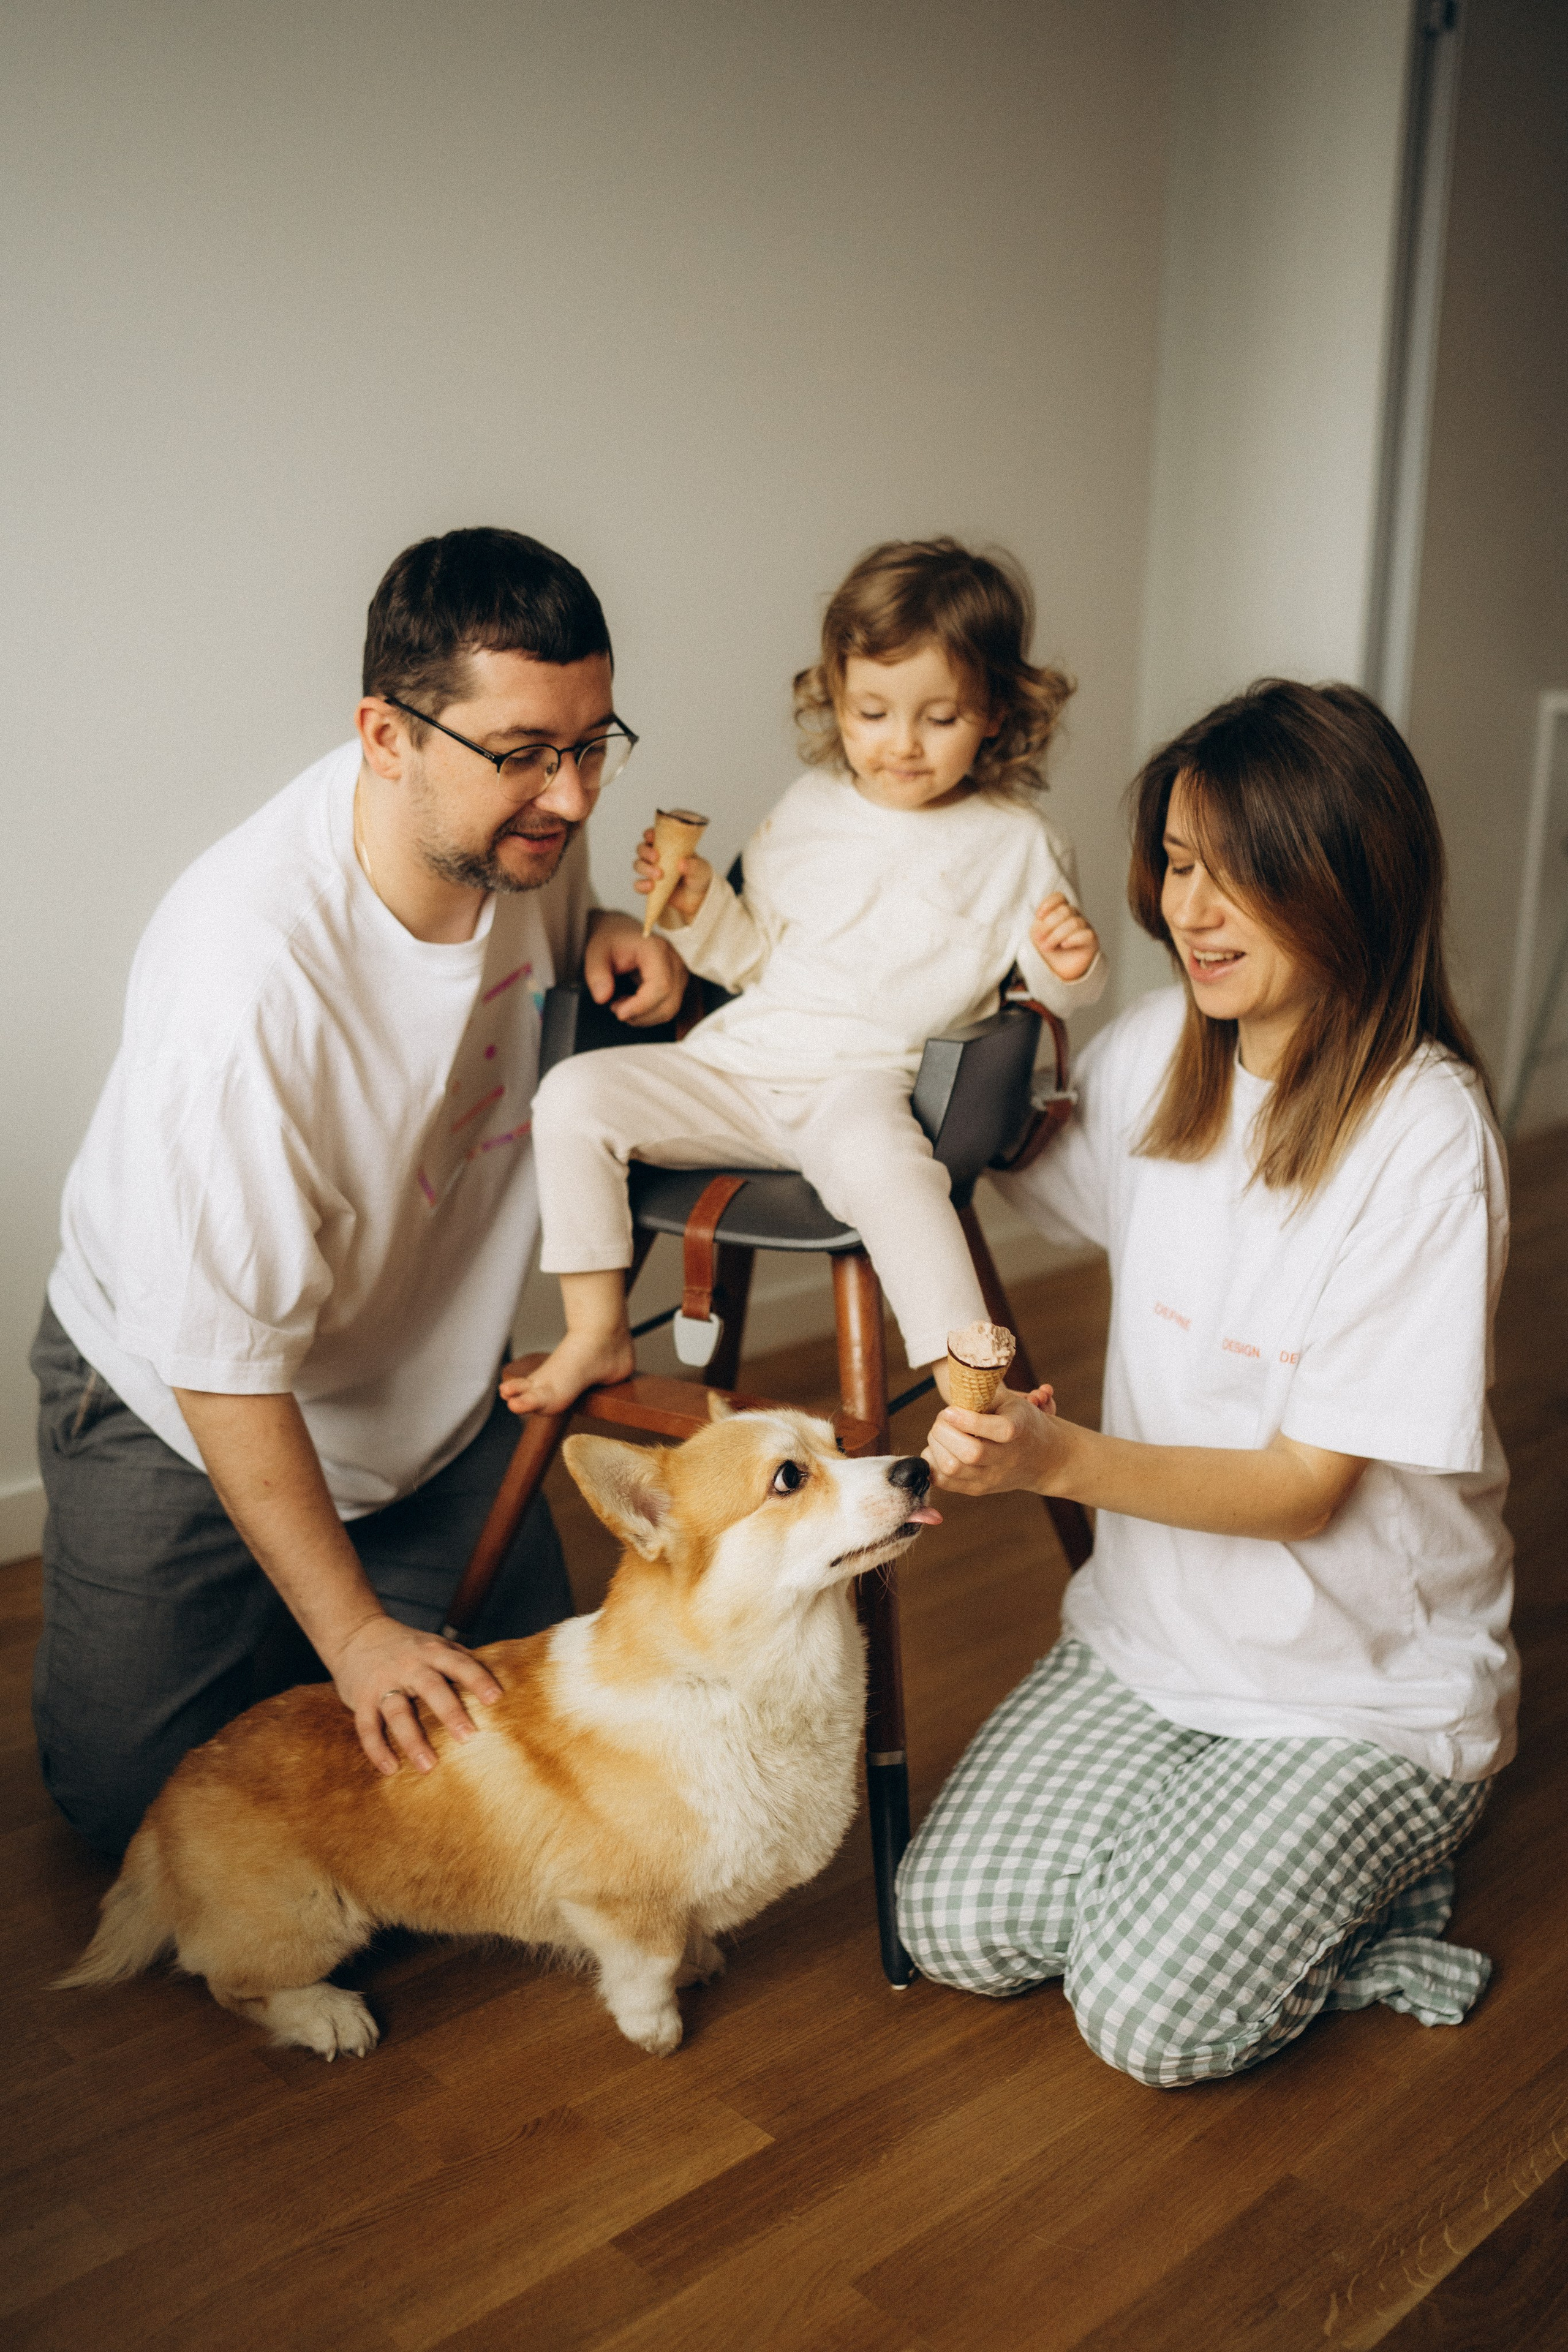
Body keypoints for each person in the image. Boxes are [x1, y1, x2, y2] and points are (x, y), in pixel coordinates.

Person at [896, 679, 1517, 2087]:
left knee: (1153, 2021)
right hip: (1153, 1639)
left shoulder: (1423, 1137)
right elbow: (1018, 1157)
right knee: (955, 1927)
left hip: (1360, 1687)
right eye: (1177, 865)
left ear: (1348, 880)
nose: (1191, 909)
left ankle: (1388, 1871)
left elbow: (1304, 1493)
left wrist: (1052, 1464)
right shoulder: (1158, 1056)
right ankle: (1208, 1846)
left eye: (1241, 874)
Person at [33, 527, 687, 1856]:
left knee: (532, 1745)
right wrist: (353, 1634)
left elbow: (552, 932)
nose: (567, 798)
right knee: (138, 1824)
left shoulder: (513, 850)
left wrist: (618, 934)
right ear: (385, 739)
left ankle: (305, 1603)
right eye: (521, 755)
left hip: (423, 1395)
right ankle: (291, 1598)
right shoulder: (243, 984)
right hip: (188, 1403)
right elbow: (224, 1368)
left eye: (590, 745)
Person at [509, 538, 1107, 1413]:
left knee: (893, 1176)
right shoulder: (811, 807)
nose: (901, 743)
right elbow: (748, 959)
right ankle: (596, 1328)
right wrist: (700, 903)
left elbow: (1042, 1008)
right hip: (743, 1064)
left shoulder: (1018, 843)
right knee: (572, 1095)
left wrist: (1070, 969)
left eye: (939, 719)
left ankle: (969, 1384)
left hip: (864, 1089)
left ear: (996, 713)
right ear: (836, 698)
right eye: (872, 713)